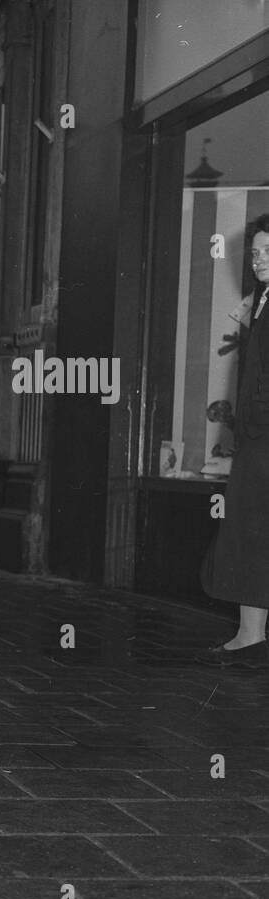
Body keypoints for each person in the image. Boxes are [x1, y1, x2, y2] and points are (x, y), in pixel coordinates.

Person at [200, 214, 269, 667]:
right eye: (256, 251)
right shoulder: (261, 299)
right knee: (249, 532)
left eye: (267, 251)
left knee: (252, 529)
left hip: (264, 438)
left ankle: (251, 636)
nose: (258, 259)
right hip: (256, 439)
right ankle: (250, 635)